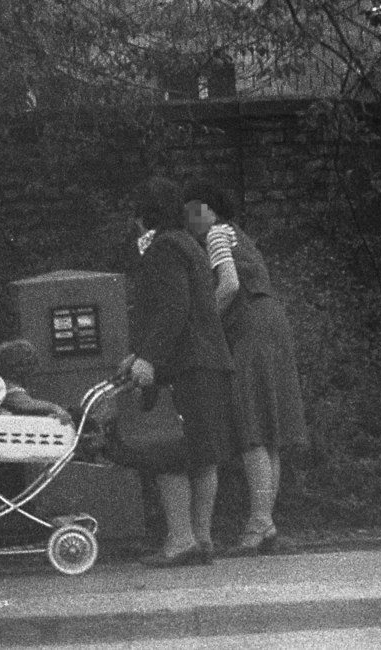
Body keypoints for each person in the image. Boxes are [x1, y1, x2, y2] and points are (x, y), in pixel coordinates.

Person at [109, 176, 237, 567]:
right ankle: (202, 539)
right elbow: (191, 307)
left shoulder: (163, 248)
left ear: (144, 216)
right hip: (210, 362)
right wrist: (139, 353)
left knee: (169, 450)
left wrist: (148, 357)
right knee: (202, 455)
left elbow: (172, 309)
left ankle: (180, 540)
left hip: (185, 365)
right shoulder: (190, 245)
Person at [182, 178, 310, 556]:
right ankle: (263, 522)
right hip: (271, 325)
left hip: (249, 327)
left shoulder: (218, 234)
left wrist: (205, 326)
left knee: (250, 426)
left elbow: (230, 285)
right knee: (268, 429)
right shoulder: (238, 234)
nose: (190, 219)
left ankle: (260, 523)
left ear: (210, 209)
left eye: (194, 210)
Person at [0, 339, 73, 425]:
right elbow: (25, 404)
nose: (33, 370)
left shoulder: (1, 384)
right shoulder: (6, 387)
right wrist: (56, 409)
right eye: (30, 364)